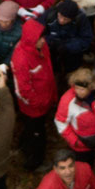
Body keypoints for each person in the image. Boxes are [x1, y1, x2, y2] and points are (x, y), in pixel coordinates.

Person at [11, 18, 59, 173]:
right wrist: (39, 103)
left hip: (45, 100)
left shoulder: (41, 48)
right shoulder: (21, 58)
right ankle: (34, 162)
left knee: (33, 130)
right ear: (32, 39)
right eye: (40, 38)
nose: (44, 41)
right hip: (33, 107)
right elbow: (23, 89)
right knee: (37, 135)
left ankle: (24, 143)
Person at [54, 67, 95, 167]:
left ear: (91, 87)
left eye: (82, 89)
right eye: (76, 88)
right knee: (83, 166)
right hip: (81, 146)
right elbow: (60, 122)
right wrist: (74, 141)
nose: (78, 92)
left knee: (93, 157)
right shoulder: (67, 100)